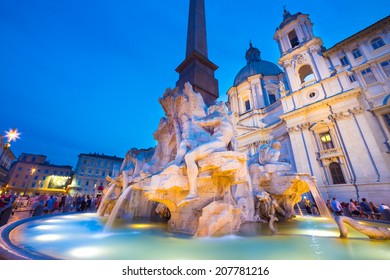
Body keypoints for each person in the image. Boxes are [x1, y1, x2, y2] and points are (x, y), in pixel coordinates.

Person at [181, 102, 235, 203]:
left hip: (216, 144)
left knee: (189, 156)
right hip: (219, 145)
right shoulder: (223, 125)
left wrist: (197, 120)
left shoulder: (218, 115)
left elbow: (210, 120)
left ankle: (193, 192)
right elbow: (207, 127)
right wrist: (199, 123)